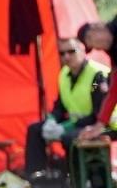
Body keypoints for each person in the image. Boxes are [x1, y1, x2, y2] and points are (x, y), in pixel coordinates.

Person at [26, 37, 110, 175]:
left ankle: (75, 179)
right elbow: (60, 106)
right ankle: (36, 177)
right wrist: (51, 120)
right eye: (62, 53)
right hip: (76, 123)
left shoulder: (97, 77)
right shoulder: (64, 75)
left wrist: (65, 127)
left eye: (71, 51)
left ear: (83, 50)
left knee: (69, 137)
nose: (66, 56)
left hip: (102, 125)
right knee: (35, 130)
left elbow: (98, 114)